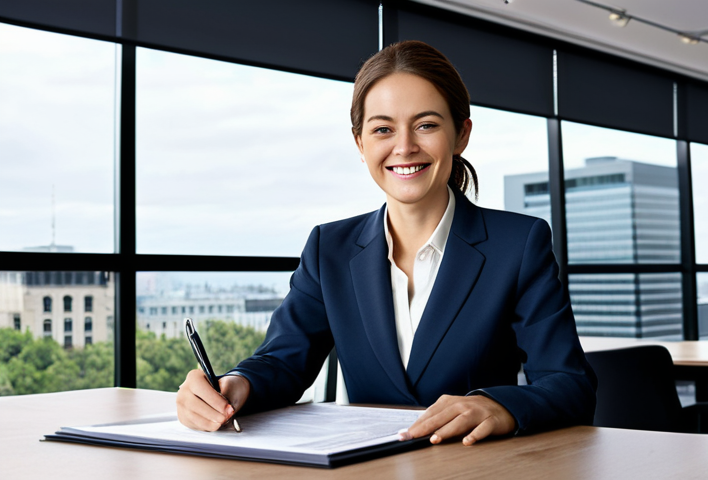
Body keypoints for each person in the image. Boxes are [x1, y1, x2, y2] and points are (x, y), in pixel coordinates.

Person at [177, 40, 596, 445]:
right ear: (361, 144)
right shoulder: (330, 248)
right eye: (383, 129)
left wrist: (498, 406)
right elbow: (283, 361)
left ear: (461, 134)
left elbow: (570, 384)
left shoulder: (519, 243)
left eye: (427, 125)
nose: (405, 147)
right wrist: (235, 386)